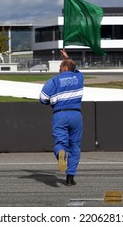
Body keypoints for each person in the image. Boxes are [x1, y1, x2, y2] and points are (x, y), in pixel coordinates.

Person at [39, 49, 84, 186]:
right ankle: (70, 178)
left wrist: (51, 101)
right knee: (75, 146)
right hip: (76, 114)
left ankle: (61, 154)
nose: (58, 69)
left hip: (60, 114)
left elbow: (42, 98)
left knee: (61, 143)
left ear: (64, 67)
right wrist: (67, 57)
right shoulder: (79, 77)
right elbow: (74, 69)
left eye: (60, 66)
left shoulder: (54, 81)